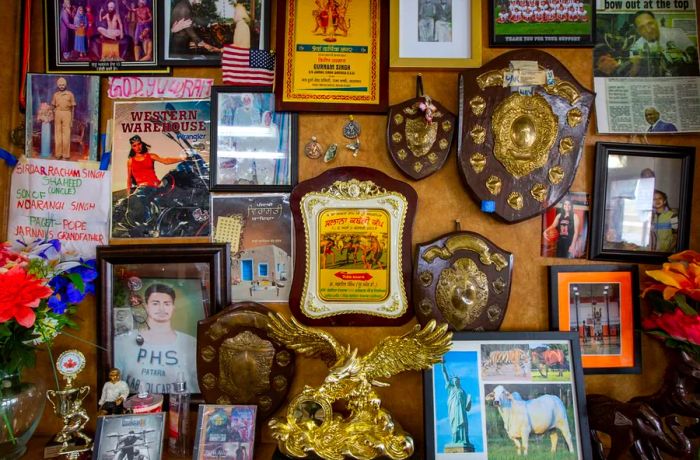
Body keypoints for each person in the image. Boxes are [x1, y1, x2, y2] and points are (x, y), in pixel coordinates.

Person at [114, 283, 200, 394]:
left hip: (178, 408)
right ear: (146, 306)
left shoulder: (191, 344)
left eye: (167, 304)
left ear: (173, 307)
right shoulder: (122, 341)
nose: (162, 308)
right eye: (155, 303)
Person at [629, 10, 699, 77]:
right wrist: (636, 64)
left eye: (650, 23)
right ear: (638, 31)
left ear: (656, 22)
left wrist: (685, 54)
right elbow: (634, 69)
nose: (648, 30)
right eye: (642, 27)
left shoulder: (676, 33)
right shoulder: (636, 46)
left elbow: (691, 49)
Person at [441, 362, 474, 450]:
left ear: (459, 381)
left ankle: (464, 440)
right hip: (453, 410)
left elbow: (467, 407)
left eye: (457, 380)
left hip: (462, 411)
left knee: (463, 425)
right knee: (455, 425)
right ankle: (455, 440)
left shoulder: (463, 391)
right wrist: (442, 365)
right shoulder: (450, 388)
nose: (455, 381)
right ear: (453, 382)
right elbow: (445, 376)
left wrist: (470, 401)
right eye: (454, 380)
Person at [51, 77, 76, 160]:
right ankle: (58, 154)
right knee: (57, 134)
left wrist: (72, 119)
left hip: (67, 113)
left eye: (63, 85)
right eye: (60, 85)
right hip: (58, 113)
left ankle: (66, 155)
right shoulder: (55, 95)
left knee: (66, 135)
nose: (61, 86)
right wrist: (53, 113)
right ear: (58, 85)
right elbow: (53, 106)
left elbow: (73, 108)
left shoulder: (70, 94)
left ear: (65, 85)